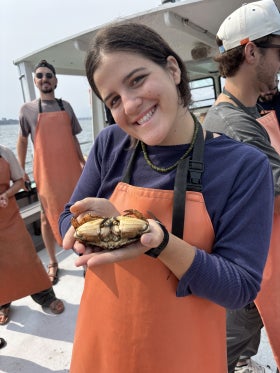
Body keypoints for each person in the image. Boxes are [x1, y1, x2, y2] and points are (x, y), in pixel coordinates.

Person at [59, 23, 274, 373]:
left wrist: (155, 239)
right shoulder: (109, 144)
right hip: (102, 342)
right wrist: (89, 228)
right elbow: (67, 218)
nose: (129, 105)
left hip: (185, 355)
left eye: (137, 79)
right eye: (113, 99)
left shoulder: (243, 167)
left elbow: (240, 288)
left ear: (173, 69)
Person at [203, 0, 280, 372]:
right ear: (252, 51)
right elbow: (276, 195)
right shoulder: (232, 124)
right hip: (254, 268)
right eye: (279, 51)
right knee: (226, 350)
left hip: (261, 261)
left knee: (237, 344)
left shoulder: (247, 114)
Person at [17, 60, 85, 285]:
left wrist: (82, 160)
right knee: (46, 218)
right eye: (40, 76)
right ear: (35, 81)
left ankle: (84, 255)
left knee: (78, 213)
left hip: (71, 169)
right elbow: (22, 139)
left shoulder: (66, 106)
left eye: (48, 75)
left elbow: (73, 137)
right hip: (45, 172)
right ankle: (53, 262)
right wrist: (20, 170)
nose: (44, 79)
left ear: (56, 80)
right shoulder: (27, 109)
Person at [0, 144, 64, 325]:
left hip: (8, 215)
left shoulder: (4, 152)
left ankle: (45, 296)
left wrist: (6, 194)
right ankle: (3, 303)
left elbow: (20, 181)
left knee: (26, 257)